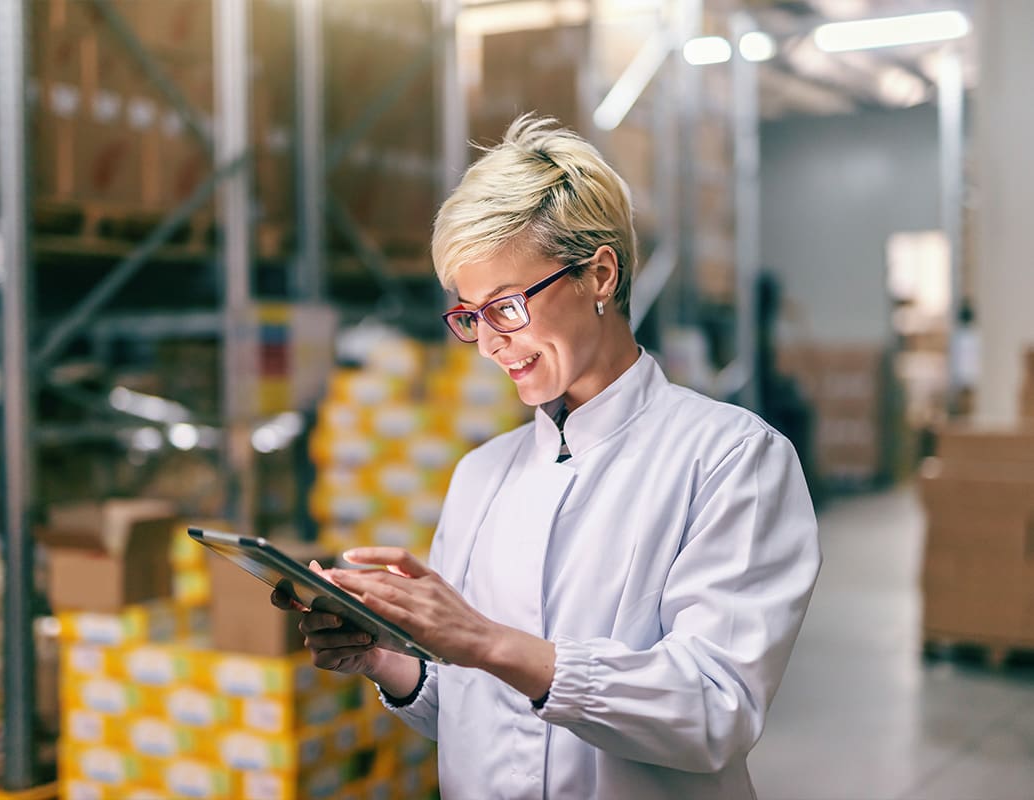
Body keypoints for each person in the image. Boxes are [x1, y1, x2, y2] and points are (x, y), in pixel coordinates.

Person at [279, 116, 821, 799]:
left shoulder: (731, 460)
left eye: (506, 306)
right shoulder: (480, 476)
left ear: (599, 274)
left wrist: (484, 641)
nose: (488, 345)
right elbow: (477, 712)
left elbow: (715, 710)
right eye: (470, 316)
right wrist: (389, 660)